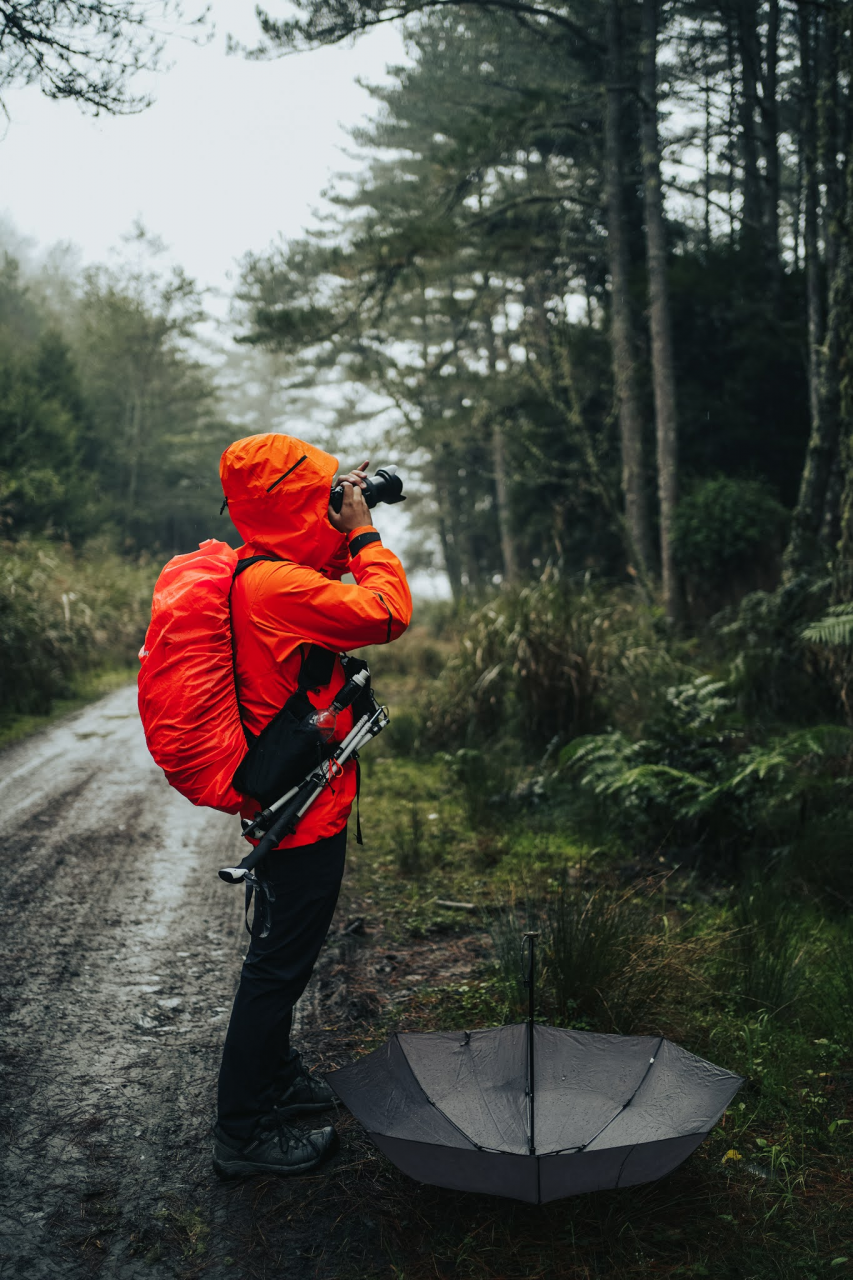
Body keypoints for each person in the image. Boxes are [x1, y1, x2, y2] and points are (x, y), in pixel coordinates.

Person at [212, 433, 412, 1180]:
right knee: (276, 970)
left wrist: (335, 518)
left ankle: (276, 1080)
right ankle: (241, 1133)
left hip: (290, 803)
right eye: (318, 491)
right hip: (302, 812)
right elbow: (386, 611)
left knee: (279, 958)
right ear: (291, 503)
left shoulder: (259, 572)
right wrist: (361, 530)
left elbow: (317, 579)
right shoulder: (278, 589)